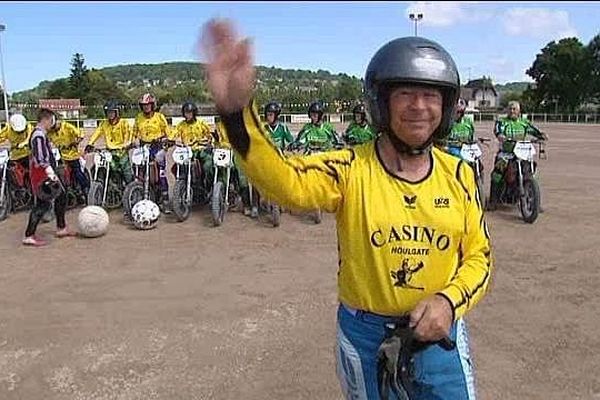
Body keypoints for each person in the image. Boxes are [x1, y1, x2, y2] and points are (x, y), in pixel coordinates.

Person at [202, 19, 493, 400]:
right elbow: (286, 183)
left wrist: (448, 302)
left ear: (447, 105)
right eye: (405, 93)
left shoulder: (458, 174)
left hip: (440, 333)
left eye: (432, 95)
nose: (419, 106)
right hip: (366, 335)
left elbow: (479, 258)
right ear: (381, 102)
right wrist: (237, 115)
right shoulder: (348, 169)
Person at [23, 108, 76, 246]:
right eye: (52, 120)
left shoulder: (41, 134)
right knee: (42, 204)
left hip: (45, 172)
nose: (53, 123)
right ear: (45, 120)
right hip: (41, 174)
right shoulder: (38, 135)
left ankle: (61, 227)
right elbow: (40, 157)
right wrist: (50, 172)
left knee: (61, 196)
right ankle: (29, 235)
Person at [487, 101, 547, 211]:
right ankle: (493, 201)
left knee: (531, 170)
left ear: (519, 111)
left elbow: (533, 130)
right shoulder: (502, 122)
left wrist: (541, 135)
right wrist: (500, 135)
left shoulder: (524, 122)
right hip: (506, 154)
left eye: (514, 109)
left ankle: (534, 201)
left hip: (521, 153)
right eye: (510, 109)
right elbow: (497, 131)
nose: (512, 111)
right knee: (497, 173)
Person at [132, 93, 172, 213]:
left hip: (157, 147)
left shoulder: (160, 117)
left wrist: (163, 140)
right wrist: (134, 141)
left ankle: (165, 202)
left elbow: (168, 133)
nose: (146, 107)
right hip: (144, 147)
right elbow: (134, 132)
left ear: (153, 105)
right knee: (139, 171)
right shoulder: (138, 117)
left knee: (160, 173)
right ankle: (137, 198)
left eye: (148, 105)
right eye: (144, 105)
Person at [86, 100, 135, 184]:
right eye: (108, 112)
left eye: (112, 112)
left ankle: (131, 190)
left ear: (117, 112)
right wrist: (90, 143)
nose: (110, 114)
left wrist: (127, 143)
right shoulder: (104, 124)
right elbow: (96, 133)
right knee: (100, 167)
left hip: (122, 152)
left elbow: (128, 134)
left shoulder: (123, 123)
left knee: (127, 174)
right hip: (110, 152)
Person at [171, 101, 214, 190]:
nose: (188, 115)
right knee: (175, 167)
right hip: (187, 151)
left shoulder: (201, 123)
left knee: (207, 166)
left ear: (194, 113)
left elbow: (210, 136)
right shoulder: (181, 125)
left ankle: (208, 185)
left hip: (200, 150)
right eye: (186, 113)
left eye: (190, 113)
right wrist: (171, 140)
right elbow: (174, 134)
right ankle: (183, 185)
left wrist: (206, 142)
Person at [214, 120, 253, 216]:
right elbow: (216, 141)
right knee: (223, 175)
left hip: (237, 152)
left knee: (242, 177)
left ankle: (246, 205)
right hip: (224, 152)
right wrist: (215, 143)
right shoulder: (219, 126)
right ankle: (226, 199)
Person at [47, 117, 90, 196]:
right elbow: (46, 140)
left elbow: (80, 134)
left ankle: (85, 188)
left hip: (72, 156)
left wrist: (76, 142)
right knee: (55, 172)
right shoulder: (50, 132)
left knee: (78, 173)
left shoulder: (67, 126)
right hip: (61, 156)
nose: (53, 129)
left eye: (54, 127)